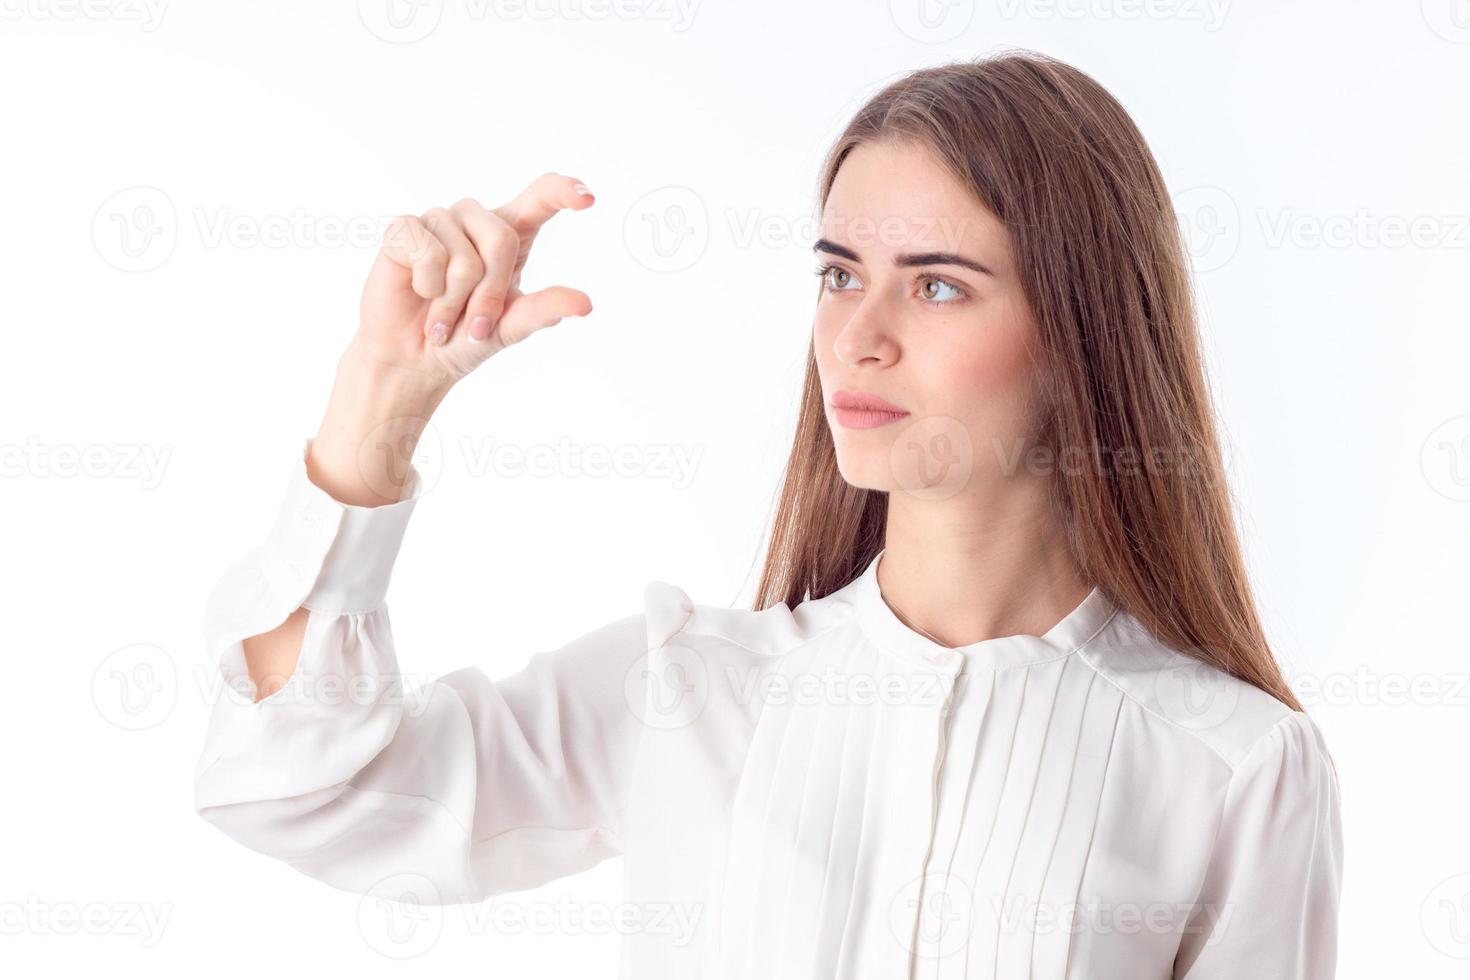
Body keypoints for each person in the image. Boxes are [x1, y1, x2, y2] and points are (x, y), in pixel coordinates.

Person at [192, 51, 1343, 979]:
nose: (860, 334)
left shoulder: (1236, 768)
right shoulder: (689, 686)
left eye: (936, 283)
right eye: (841, 273)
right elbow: (304, 791)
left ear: (1083, 327)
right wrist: (375, 409)